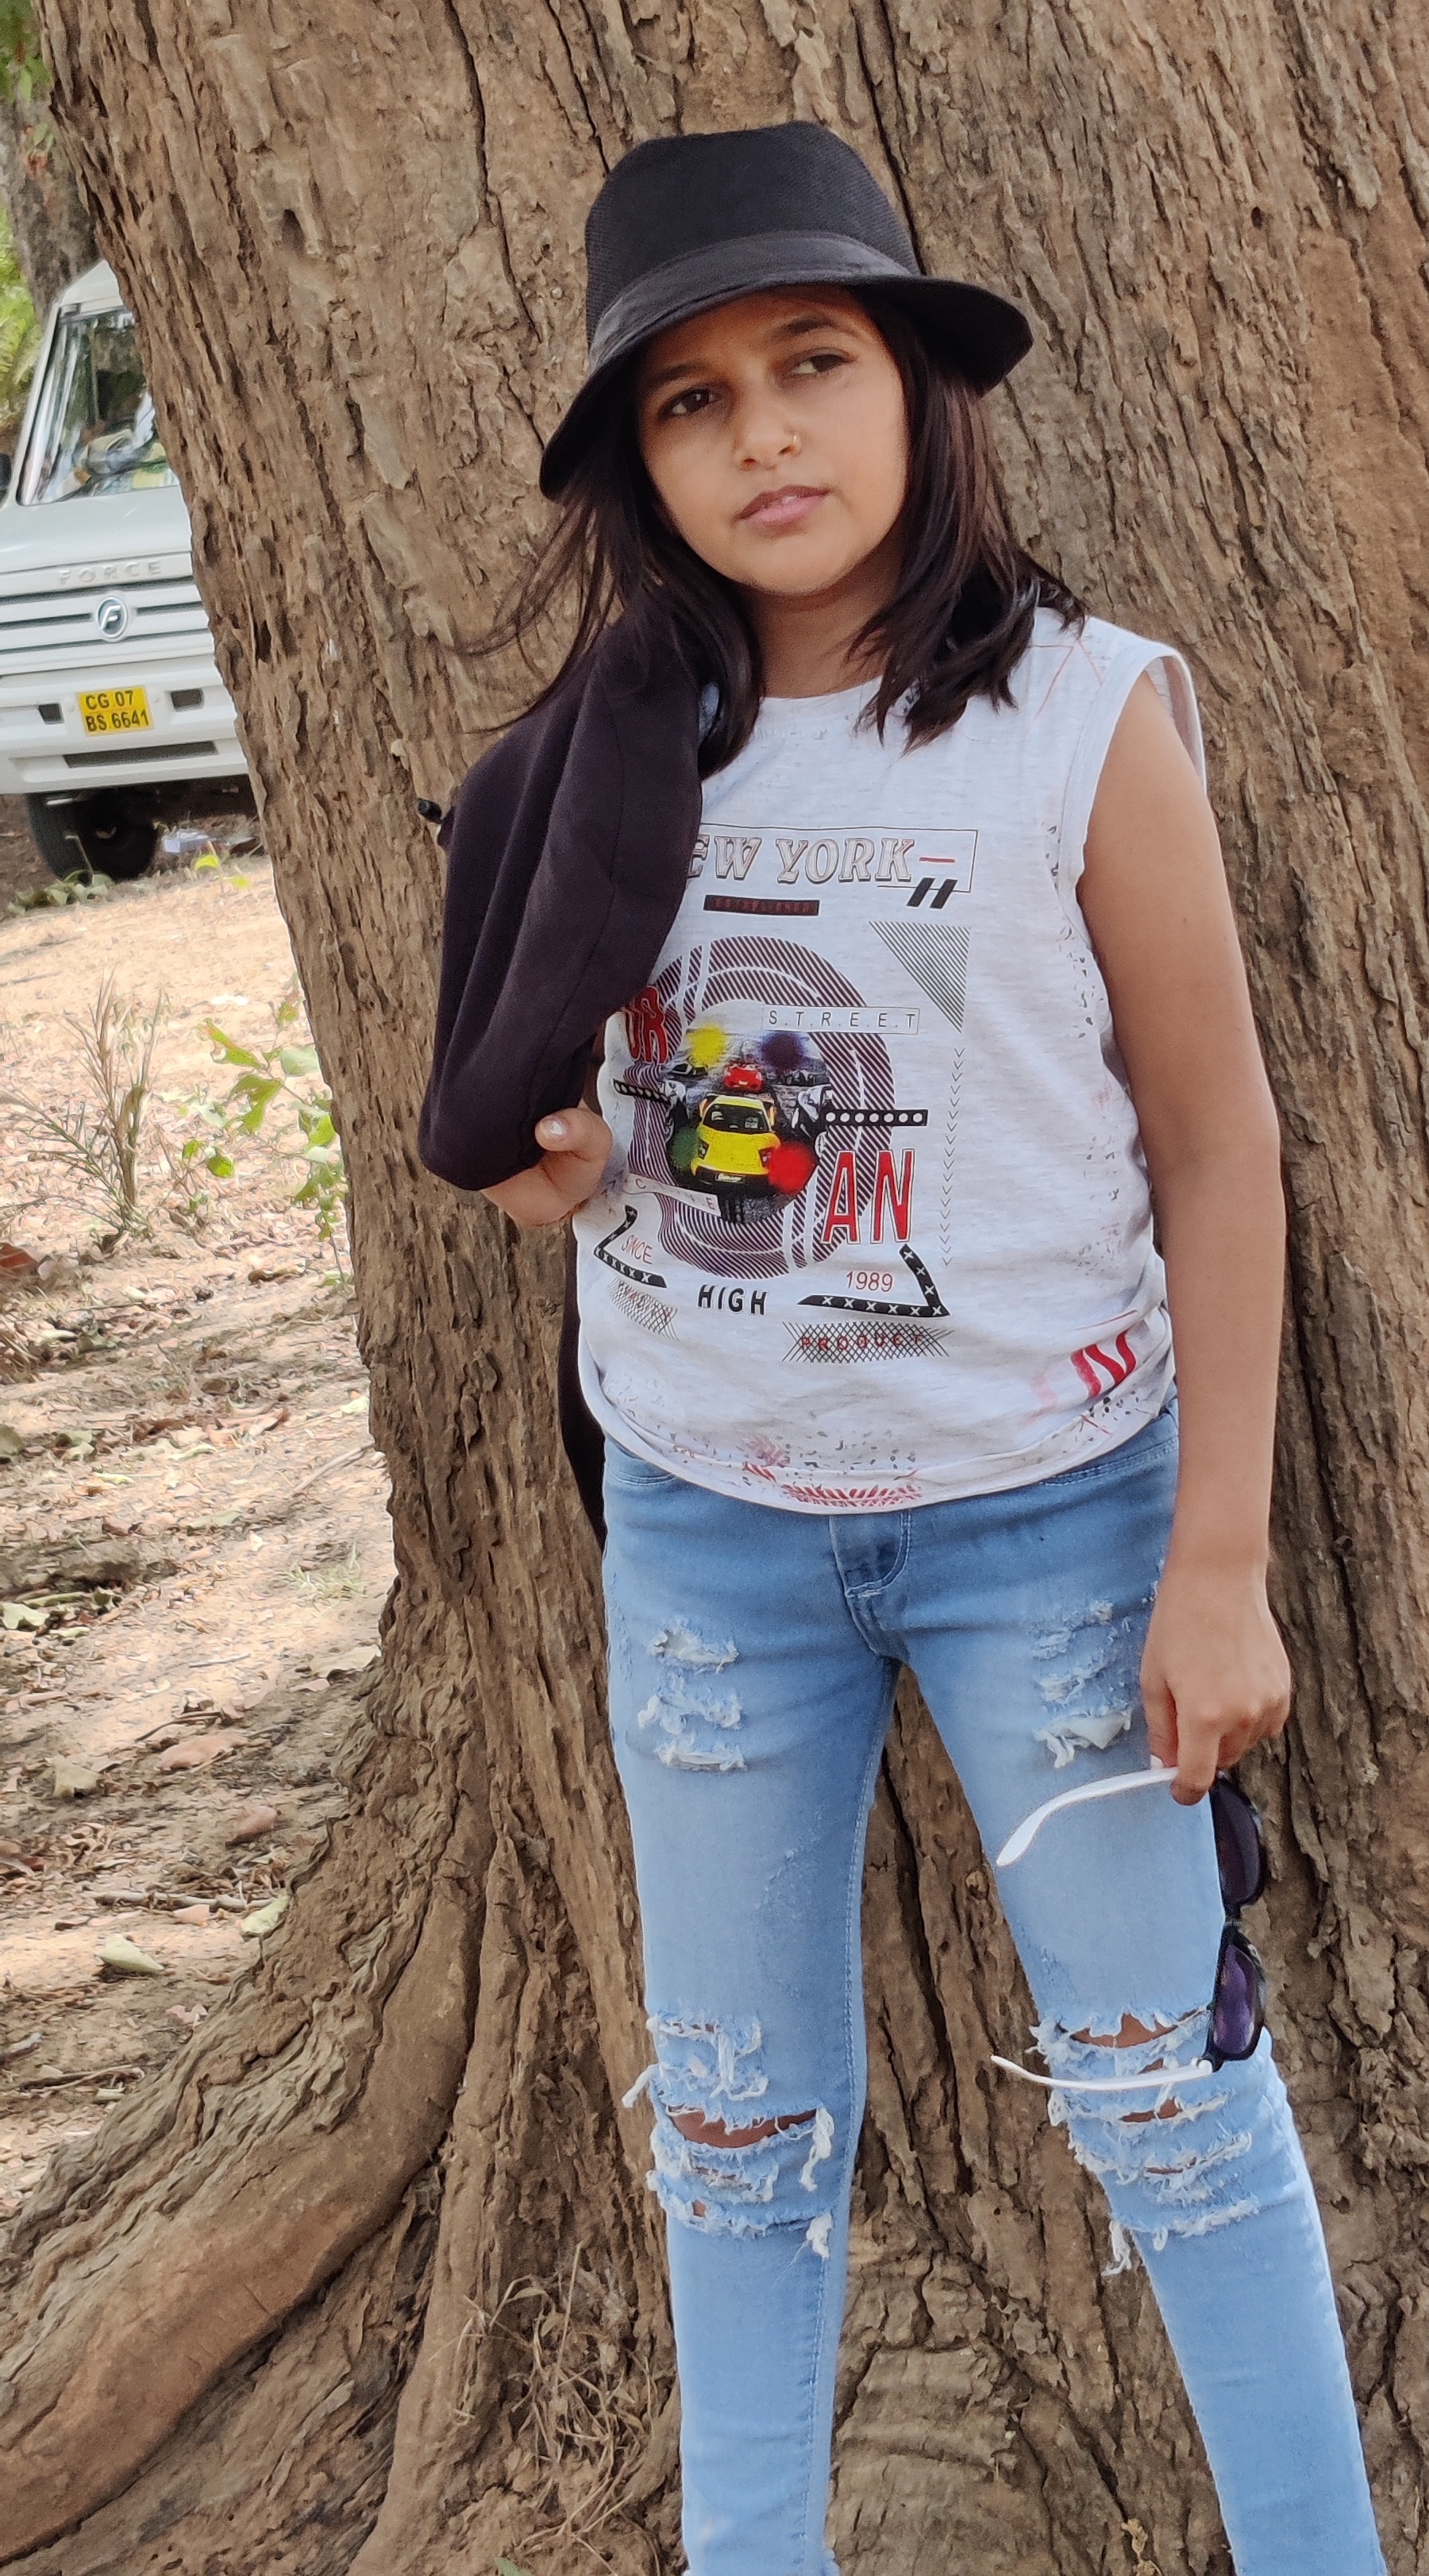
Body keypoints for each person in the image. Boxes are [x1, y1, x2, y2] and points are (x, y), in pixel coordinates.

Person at [421, 123, 1385, 2576]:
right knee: (737, 2125)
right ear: (641, 466)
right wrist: (560, 1165)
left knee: (1168, 2092)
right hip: (711, 1531)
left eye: (814, 363)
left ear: (920, 391)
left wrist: (1219, 1561)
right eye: (692, 401)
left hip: (1050, 1528)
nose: (765, 435)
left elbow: (1221, 1147)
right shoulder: (610, 750)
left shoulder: (1077, 716)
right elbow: (596, 1123)